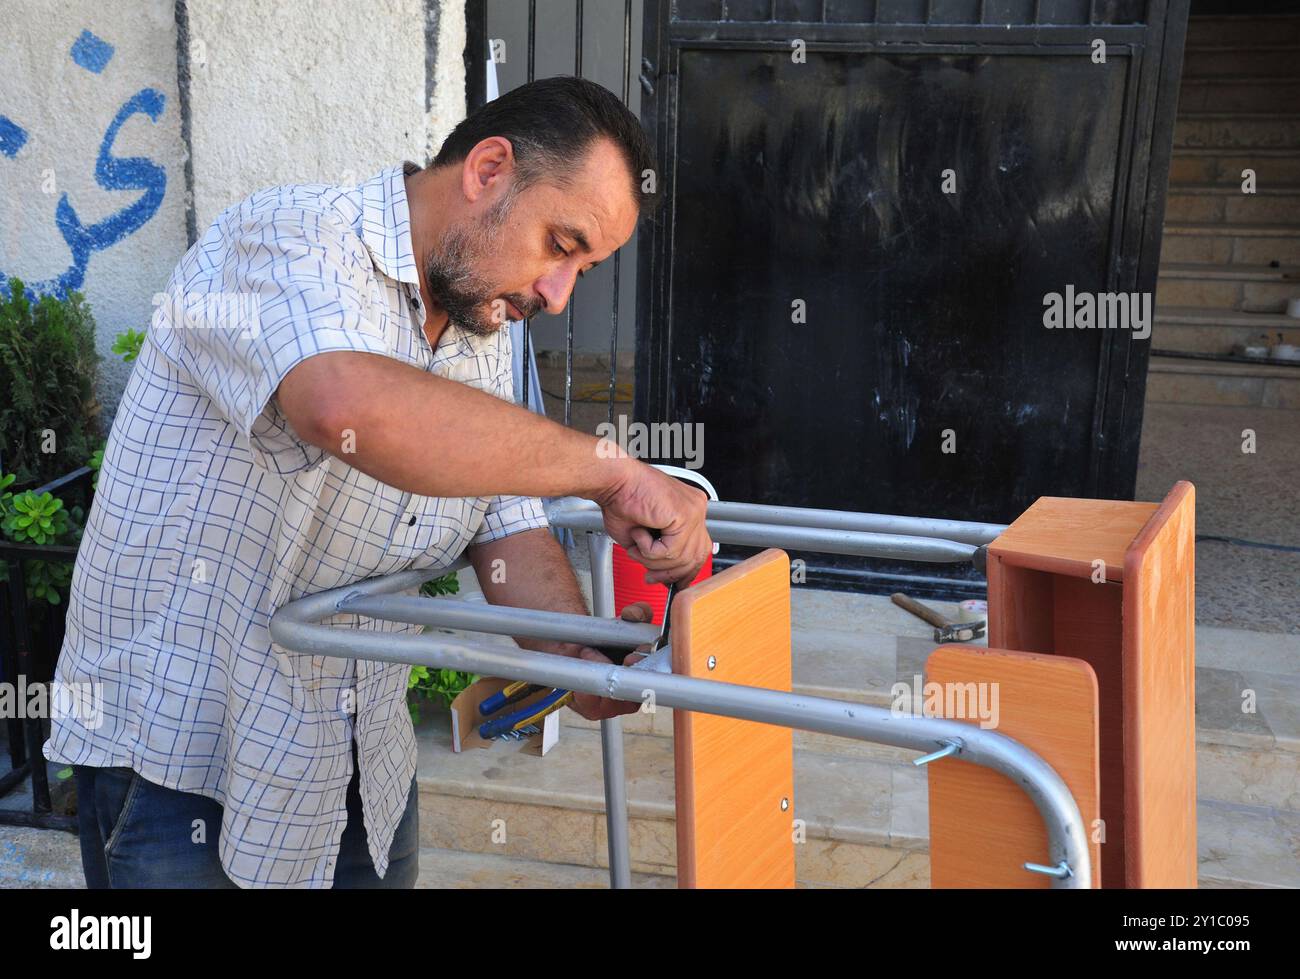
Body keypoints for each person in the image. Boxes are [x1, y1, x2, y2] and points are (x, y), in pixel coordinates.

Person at [45, 75, 711, 889]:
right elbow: (341, 402)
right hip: (183, 761)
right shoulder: (290, 235)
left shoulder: (481, 320)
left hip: (359, 765)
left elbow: (501, 525)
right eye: (560, 245)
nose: (556, 292)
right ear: (489, 169)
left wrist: (580, 661)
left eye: (584, 267)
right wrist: (609, 470)